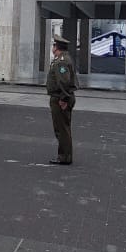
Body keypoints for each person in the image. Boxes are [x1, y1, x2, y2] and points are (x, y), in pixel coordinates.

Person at [46, 35, 77, 165]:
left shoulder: (61, 61)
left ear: (56, 47)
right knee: (63, 128)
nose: (52, 47)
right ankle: (65, 155)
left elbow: (64, 81)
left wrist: (63, 99)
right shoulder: (61, 59)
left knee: (62, 129)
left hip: (60, 98)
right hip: (60, 97)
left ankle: (64, 157)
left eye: (54, 45)